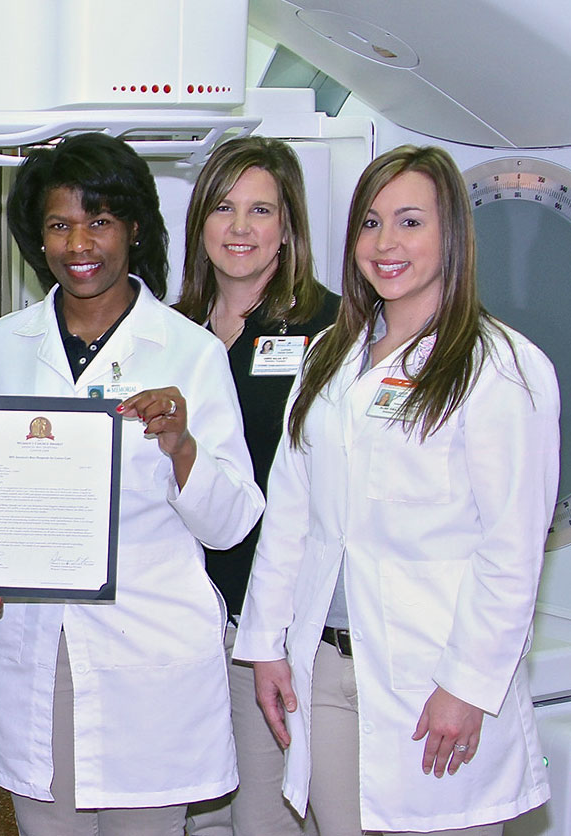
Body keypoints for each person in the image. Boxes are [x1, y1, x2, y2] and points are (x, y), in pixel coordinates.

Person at [235, 145, 557, 835]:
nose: (385, 244)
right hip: (322, 670)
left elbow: (511, 548)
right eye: (371, 223)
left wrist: (467, 687)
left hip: (433, 677)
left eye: (410, 222)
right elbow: (292, 516)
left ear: (453, 236)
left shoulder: (501, 368)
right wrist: (265, 641)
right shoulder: (330, 358)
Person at [0, 133, 265, 835]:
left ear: (131, 228)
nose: (78, 243)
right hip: (32, 647)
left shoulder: (190, 351)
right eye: (59, 224)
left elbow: (232, 522)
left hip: (148, 653)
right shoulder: (4, 345)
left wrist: (181, 446)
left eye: (98, 221)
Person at [173, 136, 340, 836]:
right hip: (185, 617)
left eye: (261, 210)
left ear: (289, 226)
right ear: (199, 223)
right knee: (192, 813)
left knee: (269, 816)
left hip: (276, 621)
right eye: (223, 207)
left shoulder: (333, 331)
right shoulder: (171, 333)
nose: (240, 228)